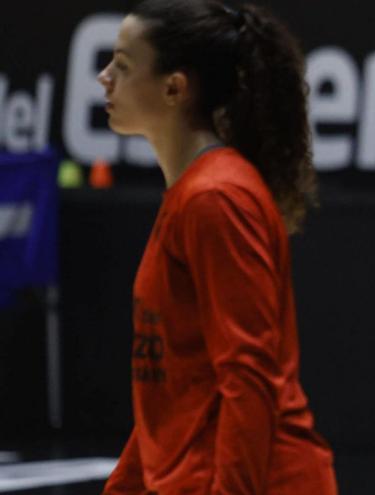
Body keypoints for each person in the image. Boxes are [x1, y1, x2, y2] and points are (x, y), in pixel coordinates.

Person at [97, 1, 336, 493]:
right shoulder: (193, 192)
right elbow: (175, 389)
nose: (104, 77)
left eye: (122, 65)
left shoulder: (217, 197)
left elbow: (248, 377)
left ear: (174, 88)